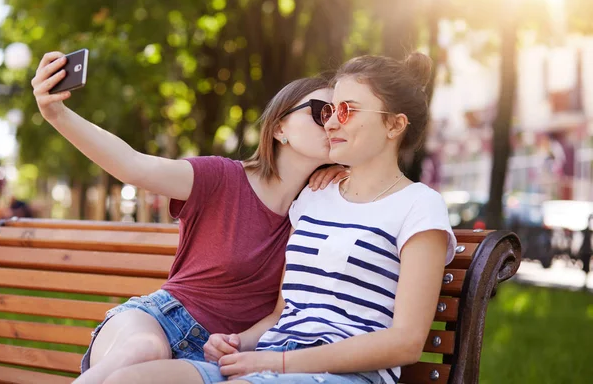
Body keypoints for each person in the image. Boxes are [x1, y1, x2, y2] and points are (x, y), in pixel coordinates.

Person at [96, 53, 457, 384]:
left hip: (344, 376)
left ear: (394, 126)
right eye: (328, 112)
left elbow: (407, 343)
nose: (331, 122)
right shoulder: (313, 199)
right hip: (271, 362)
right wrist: (238, 342)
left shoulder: (419, 206)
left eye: (347, 110)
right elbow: (281, 314)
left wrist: (280, 364)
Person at [30, 52, 347, 384]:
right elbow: (132, 166)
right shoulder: (220, 177)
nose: (333, 123)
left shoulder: (318, 211)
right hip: (159, 321)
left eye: (341, 114)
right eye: (320, 112)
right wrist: (57, 114)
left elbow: (278, 314)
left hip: (214, 358)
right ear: (280, 127)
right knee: (143, 351)